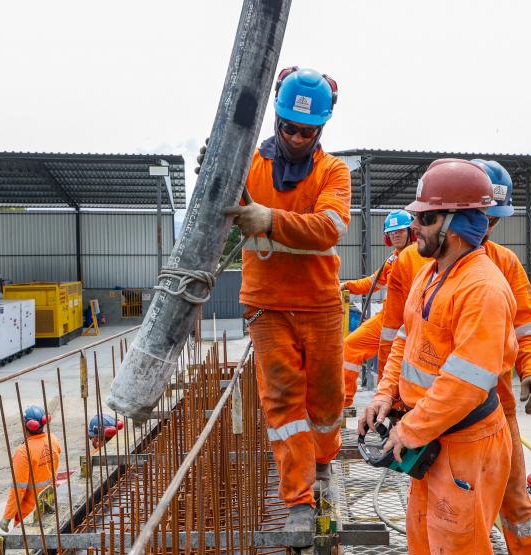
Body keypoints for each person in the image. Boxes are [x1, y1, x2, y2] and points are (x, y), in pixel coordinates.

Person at [377, 159, 531, 553]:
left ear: (453, 222)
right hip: (433, 424)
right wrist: (387, 394)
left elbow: (520, 332)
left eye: (425, 217)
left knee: (506, 510)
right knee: (430, 535)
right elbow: (402, 337)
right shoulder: (426, 269)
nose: (415, 228)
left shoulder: (489, 278)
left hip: (473, 419)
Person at [222, 66, 350, 532]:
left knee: (327, 399)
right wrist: (215, 174)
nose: (297, 138)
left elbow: (329, 228)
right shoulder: (249, 166)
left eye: (307, 131)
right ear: (277, 120)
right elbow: (217, 211)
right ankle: (298, 500)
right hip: (266, 304)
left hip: (318, 304)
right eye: (289, 128)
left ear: (321, 128)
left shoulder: (333, 171)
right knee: (282, 403)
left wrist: (268, 219)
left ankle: (322, 458)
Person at [473, 159, 531, 554]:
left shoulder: (504, 262)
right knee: (457, 507)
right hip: (440, 411)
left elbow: (528, 324)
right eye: (481, 216)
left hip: (498, 405)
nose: (486, 227)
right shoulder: (422, 259)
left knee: (516, 501)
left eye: (493, 220)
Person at [339, 209, 415, 406]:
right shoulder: (392, 259)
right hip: (386, 319)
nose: (396, 235)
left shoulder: (419, 258)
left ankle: (396, 411)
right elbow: (373, 283)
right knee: (350, 347)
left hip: (408, 323)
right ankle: (344, 401)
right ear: (387, 237)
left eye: (400, 231)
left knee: (396, 370)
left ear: (411, 232)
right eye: (392, 232)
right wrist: (347, 286)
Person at [0, 406, 61, 532]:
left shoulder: (23, 452)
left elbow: (19, 488)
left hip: (30, 514)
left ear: (25, 425)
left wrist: (7, 516)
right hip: (50, 505)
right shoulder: (53, 439)